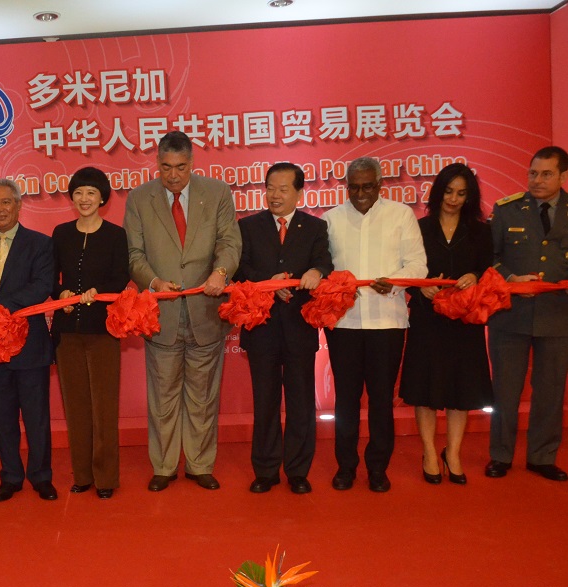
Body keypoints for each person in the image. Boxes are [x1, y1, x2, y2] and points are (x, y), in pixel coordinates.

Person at [123, 130, 240, 492]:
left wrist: (221, 272)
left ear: (192, 163)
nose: (173, 175)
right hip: (163, 315)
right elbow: (135, 255)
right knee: (163, 395)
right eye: (166, 167)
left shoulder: (217, 193)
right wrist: (154, 282)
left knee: (204, 395)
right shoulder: (140, 199)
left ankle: (200, 464)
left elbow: (229, 241)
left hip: (206, 310)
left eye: (181, 167)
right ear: (157, 163)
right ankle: (163, 465)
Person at [322, 157, 427, 492]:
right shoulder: (330, 220)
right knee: (346, 400)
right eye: (354, 186)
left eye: (368, 186)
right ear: (346, 185)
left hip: (387, 321)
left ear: (381, 185)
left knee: (381, 399)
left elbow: (418, 265)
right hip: (344, 324)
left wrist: (395, 282)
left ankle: (378, 468)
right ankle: (346, 467)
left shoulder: (401, 215)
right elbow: (322, 269)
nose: (361, 193)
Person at [235, 163, 332, 495]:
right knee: (265, 401)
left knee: (301, 402)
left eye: (282, 189)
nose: (274, 195)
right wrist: (266, 283)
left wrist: (318, 271)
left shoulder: (315, 227)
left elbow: (325, 261)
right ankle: (265, 469)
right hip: (261, 328)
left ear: (298, 192)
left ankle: (297, 470)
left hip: (299, 327)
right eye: (270, 188)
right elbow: (239, 268)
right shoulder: (248, 226)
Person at [399, 164, 492, 485]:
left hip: (465, 321)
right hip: (428, 319)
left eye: (462, 193)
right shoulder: (419, 228)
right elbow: (403, 271)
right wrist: (420, 284)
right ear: (438, 192)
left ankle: (452, 452)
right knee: (426, 387)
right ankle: (428, 451)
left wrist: (475, 277)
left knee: (461, 388)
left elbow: (489, 270)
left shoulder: (481, 231)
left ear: (470, 197)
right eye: (449, 191)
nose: (454, 198)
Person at [0, 179, 57, 502]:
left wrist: (3, 307)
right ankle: (10, 475)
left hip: (30, 346)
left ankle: (41, 476)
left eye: (7, 202)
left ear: (19, 206)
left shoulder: (40, 244)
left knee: (36, 418)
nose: (0, 209)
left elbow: (42, 286)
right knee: (1, 418)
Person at [486, 146, 568, 482]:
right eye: (533, 173)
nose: (537, 180)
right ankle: (501, 455)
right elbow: (488, 258)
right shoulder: (506, 210)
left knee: (550, 390)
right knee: (505, 390)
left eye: (546, 174)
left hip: (558, 315)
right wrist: (508, 277)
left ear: (562, 177)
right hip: (511, 315)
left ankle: (542, 456)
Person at [52, 167, 130, 499]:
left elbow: (120, 278)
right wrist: (62, 296)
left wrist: (97, 292)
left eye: (91, 193)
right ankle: (82, 475)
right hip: (68, 331)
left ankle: (106, 478)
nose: (84, 199)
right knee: (77, 406)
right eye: (79, 192)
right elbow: (52, 279)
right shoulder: (60, 233)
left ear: (102, 198)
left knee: (104, 407)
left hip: (103, 330)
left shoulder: (115, 235)